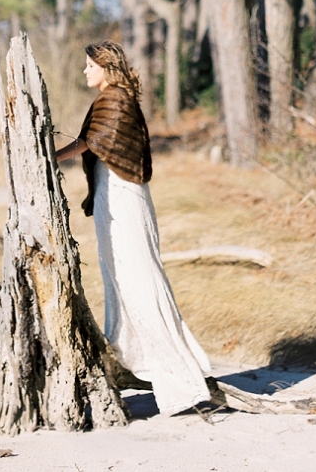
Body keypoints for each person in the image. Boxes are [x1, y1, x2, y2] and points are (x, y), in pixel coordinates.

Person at [55, 41, 211, 416]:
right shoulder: (110, 98)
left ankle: (181, 384)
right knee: (120, 282)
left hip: (124, 198)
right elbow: (89, 143)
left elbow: (93, 141)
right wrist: (50, 153)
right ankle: (132, 366)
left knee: (139, 282)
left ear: (106, 67)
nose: (85, 71)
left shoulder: (116, 99)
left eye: (89, 65)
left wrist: (51, 153)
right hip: (115, 197)